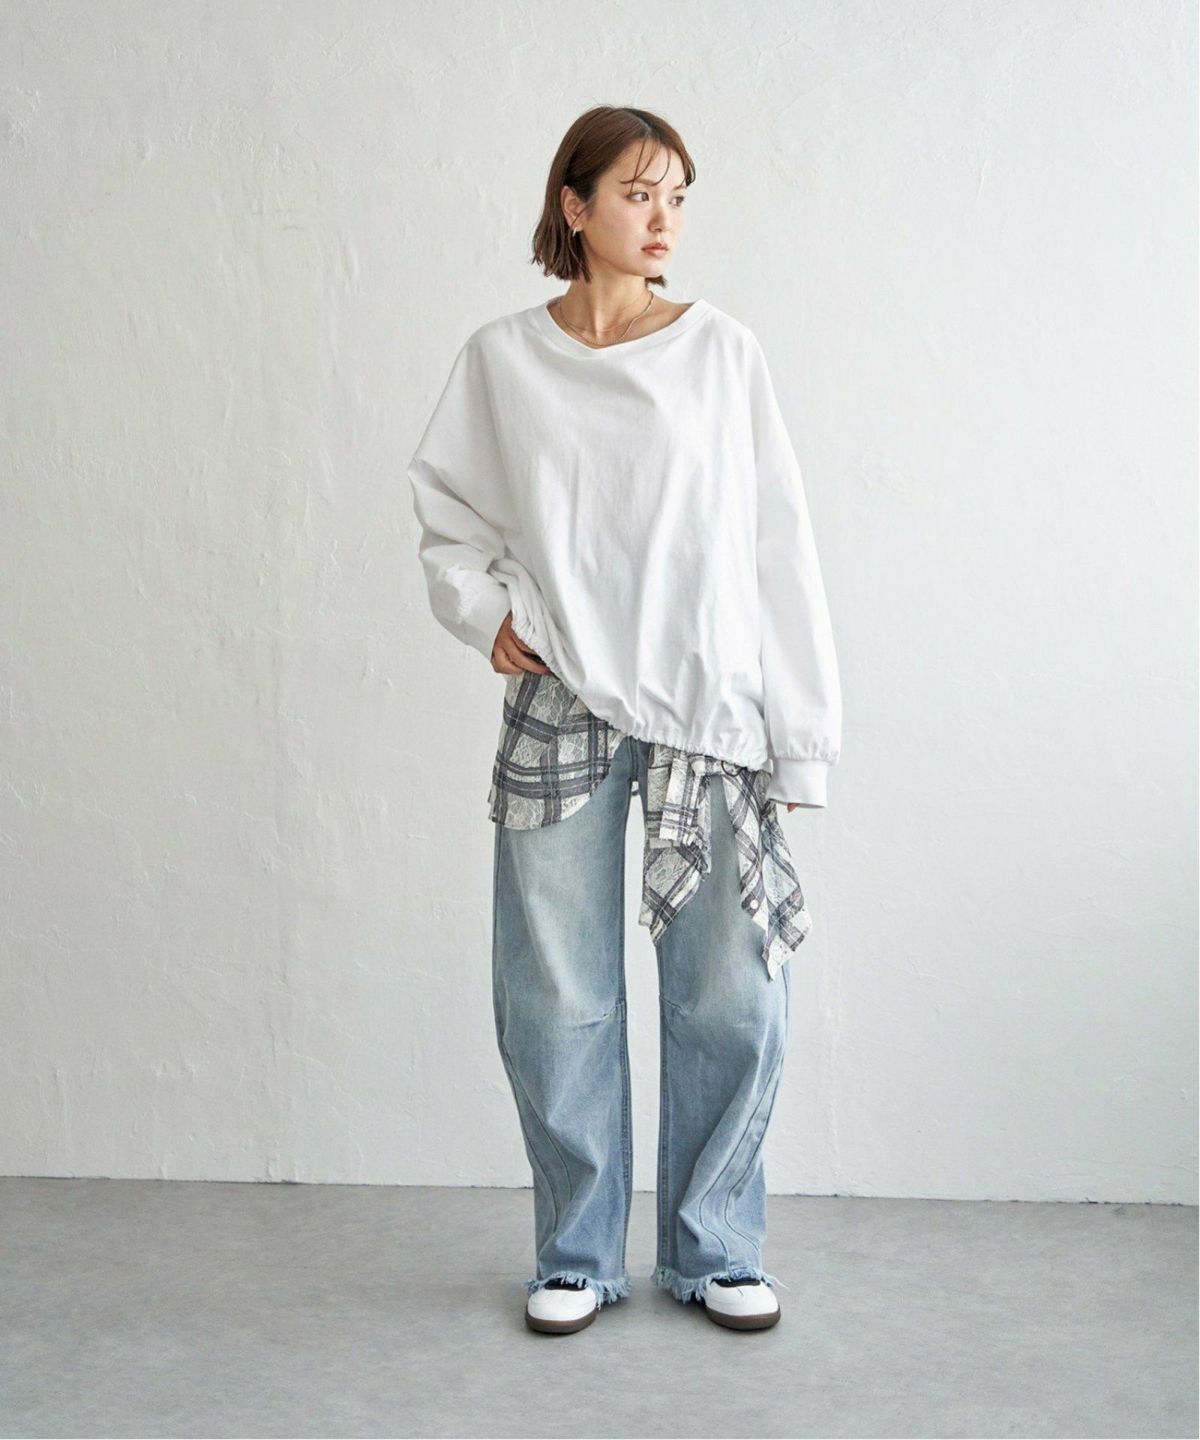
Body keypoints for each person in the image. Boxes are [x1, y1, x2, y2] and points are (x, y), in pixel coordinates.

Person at [407, 105, 842, 1336]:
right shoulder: (503, 360)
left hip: (709, 708)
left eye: (678, 198)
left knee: (728, 994)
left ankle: (715, 1247)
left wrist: (801, 734)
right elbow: (447, 512)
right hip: (561, 699)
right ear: (576, 204)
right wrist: (482, 610)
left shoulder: (721, 353)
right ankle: (576, 1253)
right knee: (555, 993)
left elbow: (777, 544)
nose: (664, 221)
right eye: (640, 193)